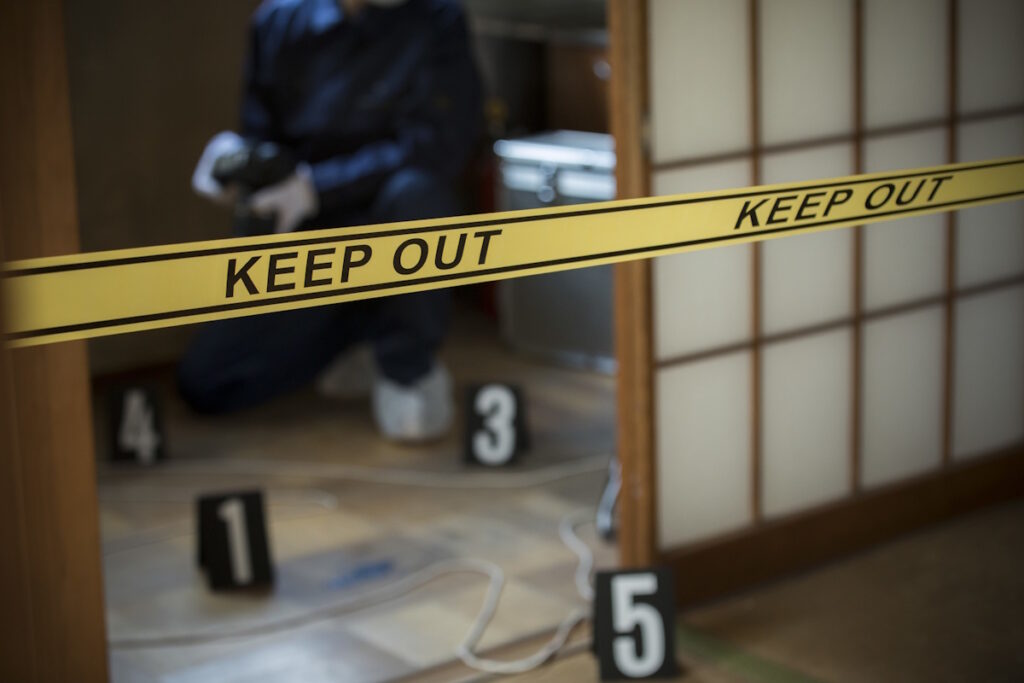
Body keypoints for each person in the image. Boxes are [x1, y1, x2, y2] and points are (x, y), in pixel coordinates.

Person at [179, 0, 482, 441]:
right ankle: (357, 332)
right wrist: (235, 164)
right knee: (207, 383)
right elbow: (261, 135)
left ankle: (406, 364)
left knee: (417, 193)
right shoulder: (278, 21)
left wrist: (318, 184)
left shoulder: (437, 18)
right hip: (308, 230)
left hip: (391, 216)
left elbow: (441, 145)